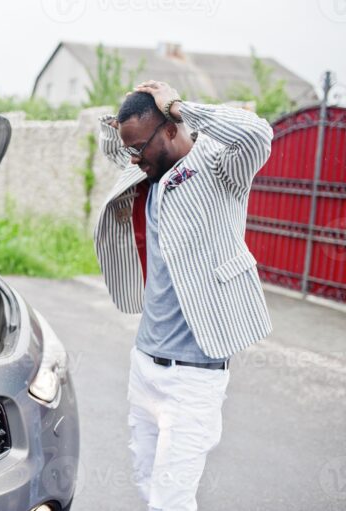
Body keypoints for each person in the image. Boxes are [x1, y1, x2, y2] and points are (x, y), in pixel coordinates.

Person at [94, 80, 274, 510]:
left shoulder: (221, 167)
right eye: (131, 150)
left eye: (140, 147)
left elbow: (257, 133)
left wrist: (178, 105)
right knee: (144, 478)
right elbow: (117, 148)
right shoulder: (147, 170)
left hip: (195, 374)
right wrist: (120, 120)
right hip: (145, 362)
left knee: (170, 498)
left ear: (172, 128)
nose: (133, 158)